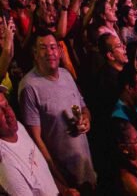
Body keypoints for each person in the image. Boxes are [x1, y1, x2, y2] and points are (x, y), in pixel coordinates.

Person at [18, 31, 97, 193]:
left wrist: (86, 119)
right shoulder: (29, 87)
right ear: (35, 54)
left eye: (53, 47)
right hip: (65, 179)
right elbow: (35, 140)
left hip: (86, 170)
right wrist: (59, 180)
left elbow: (84, 107)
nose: (50, 52)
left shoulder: (66, 75)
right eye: (43, 48)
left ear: (60, 51)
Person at [0, 92, 61, 196]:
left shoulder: (19, 128)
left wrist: (63, 190)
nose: (8, 113)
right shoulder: (5, 164)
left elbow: (41, 171)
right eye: (0, 112)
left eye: (6, 105)